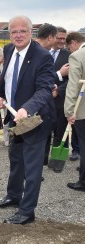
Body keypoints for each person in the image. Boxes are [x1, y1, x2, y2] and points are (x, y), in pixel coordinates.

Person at [0, 15, 56, 224]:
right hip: (14, 116)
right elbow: (8, 80)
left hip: (35, 120)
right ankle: (14, 195)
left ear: (31, 33)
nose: (18, 35)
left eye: (23, 31)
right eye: (14, 32)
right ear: (9, 34)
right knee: (16, 159)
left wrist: (26, 109)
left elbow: (45, 89)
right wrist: (0, 97)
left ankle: (27, 211)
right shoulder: (9, 50)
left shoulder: (42, 56)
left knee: (32, 167)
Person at [64, 31, 85, 192]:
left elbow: (73, 86)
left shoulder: (77, 56)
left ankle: (83, 181)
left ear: (72, 43)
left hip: (82, 110)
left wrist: (69, 111)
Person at [35, 23, 58, 166]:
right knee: (36, 140)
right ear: (50, 37)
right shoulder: (41, 53)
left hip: (42, 102)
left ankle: (36, 166)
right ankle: (33, 170)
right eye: (56, 37)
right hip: (37, 105)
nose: (57, 41)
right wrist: (59, 75)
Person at [50, 27, 71, 165]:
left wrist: (59, 90)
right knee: (43, 131)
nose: (62, 41)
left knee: (61, 130)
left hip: (60, 100)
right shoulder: (43, 52)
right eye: (59, 38)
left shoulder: (69, 55)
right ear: (52, 37)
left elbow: (72, 80)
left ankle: (58, 161)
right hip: (42, 98)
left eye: (64, 38)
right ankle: (42, 160)